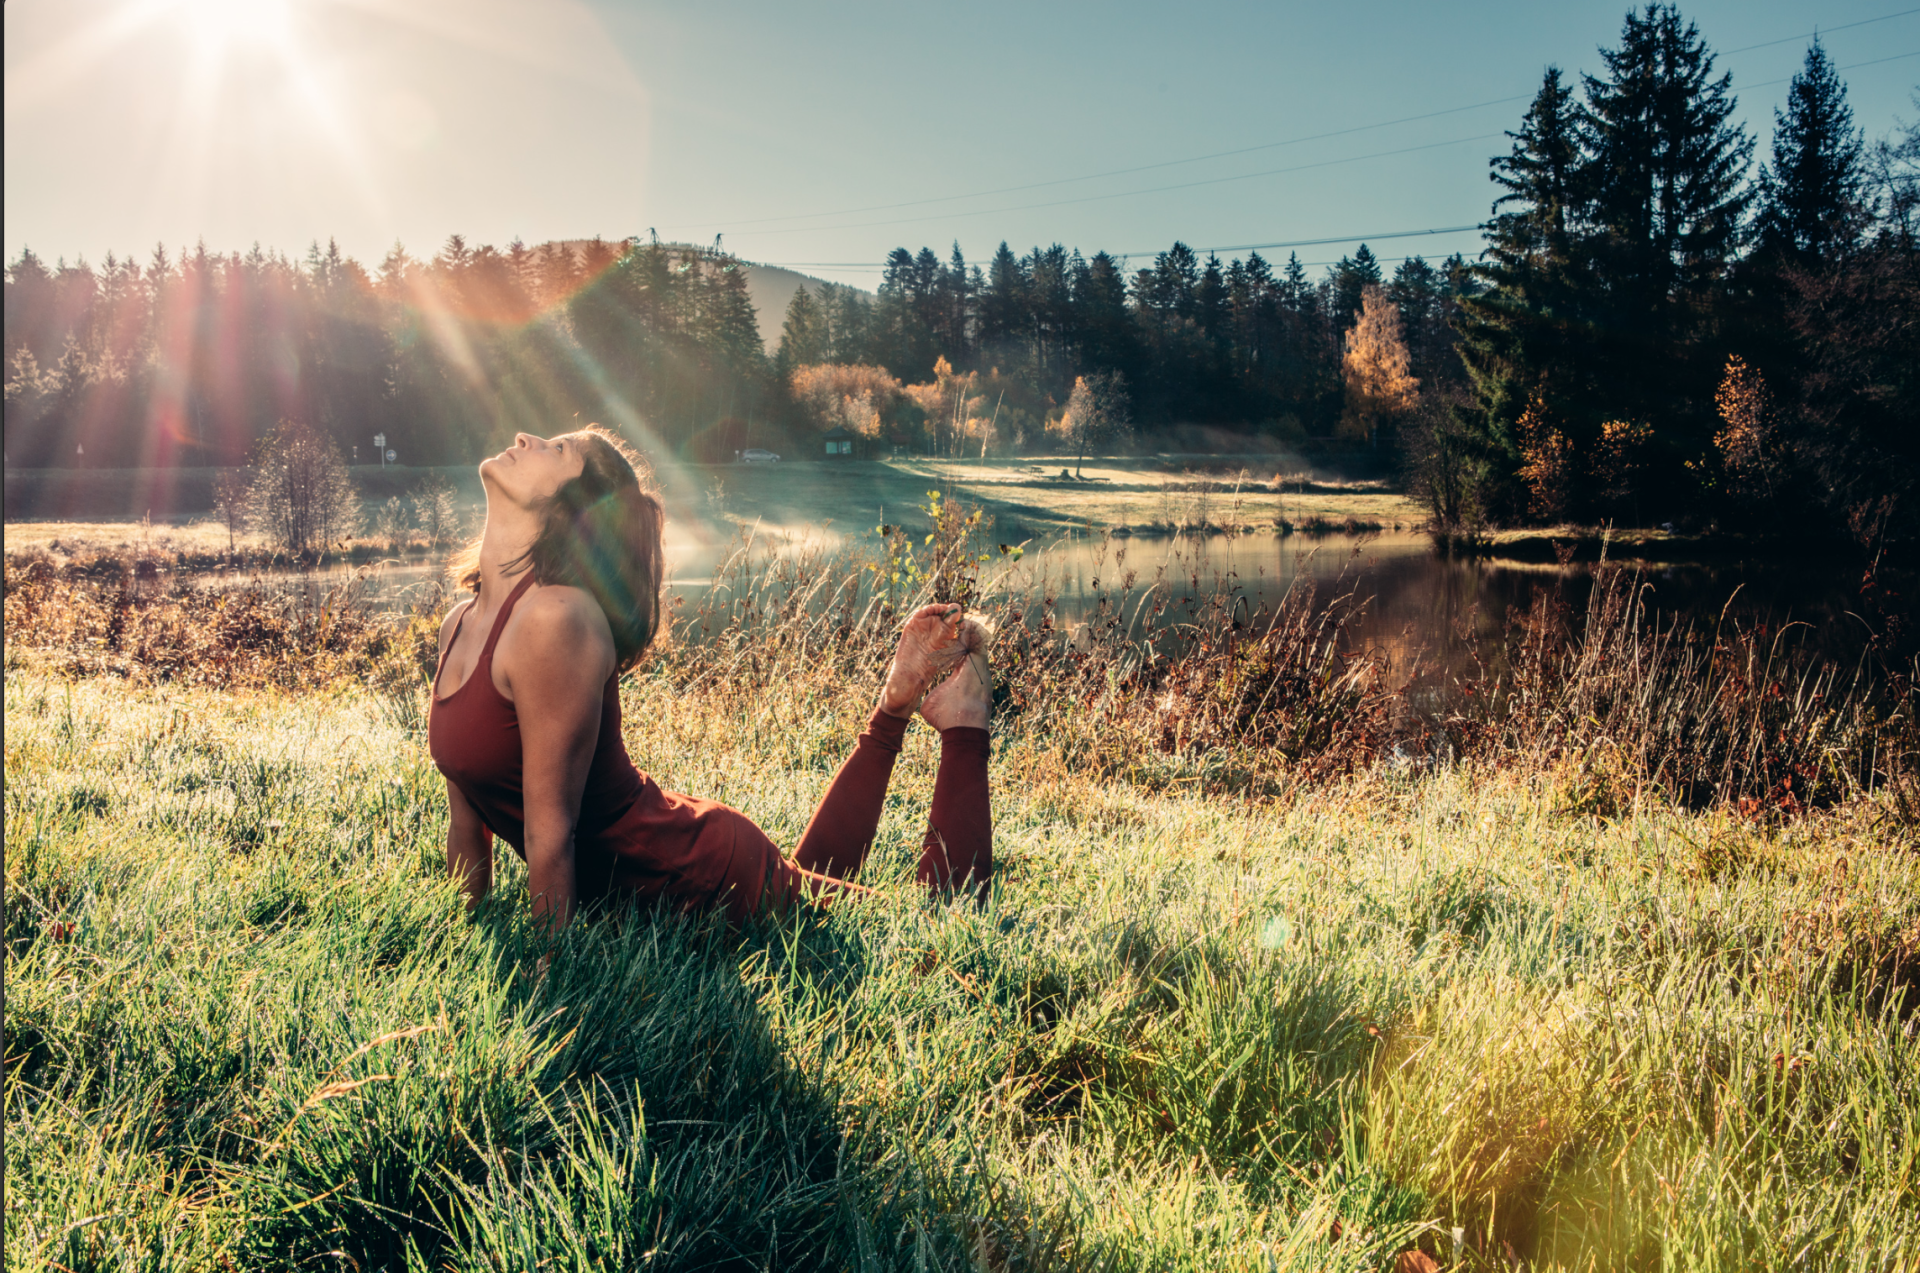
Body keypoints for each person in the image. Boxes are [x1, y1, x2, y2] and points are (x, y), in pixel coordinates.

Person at [427, 426, 993, 932]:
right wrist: (463, 934)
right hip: (670, 858)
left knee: (927, 922)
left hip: (694, 876)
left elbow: (551, 835)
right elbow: (468, 811)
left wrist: (552, 974)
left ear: (569, 509)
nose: (526, 437)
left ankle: (964, 725)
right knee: (816, 891)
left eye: (556, 448)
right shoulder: (460, 624)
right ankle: (893, 708)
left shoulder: (557, 618)